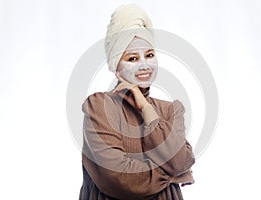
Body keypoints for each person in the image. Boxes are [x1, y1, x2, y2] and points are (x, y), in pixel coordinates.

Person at [79, 4, 195, 200]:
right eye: (132, 58)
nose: (144, 65)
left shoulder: (170, 110)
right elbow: (119, 178)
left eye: (149, 55)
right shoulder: (99, 106)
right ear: (117, 67)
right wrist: (174, 174)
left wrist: (146, 108)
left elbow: (178, 161)